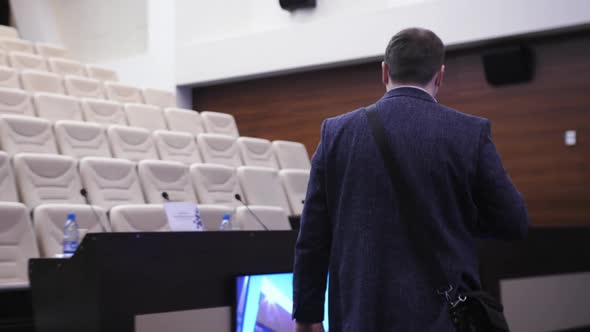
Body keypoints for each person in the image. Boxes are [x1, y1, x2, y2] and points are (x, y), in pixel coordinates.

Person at [292, 27, 529, 332]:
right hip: (442, 319)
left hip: (358, 319)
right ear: (440, 75)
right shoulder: (470, 133)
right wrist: (454, 217)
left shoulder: (336, 133)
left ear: (384, 71)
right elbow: (514, 222)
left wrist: (307, 315)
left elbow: (312, 238)